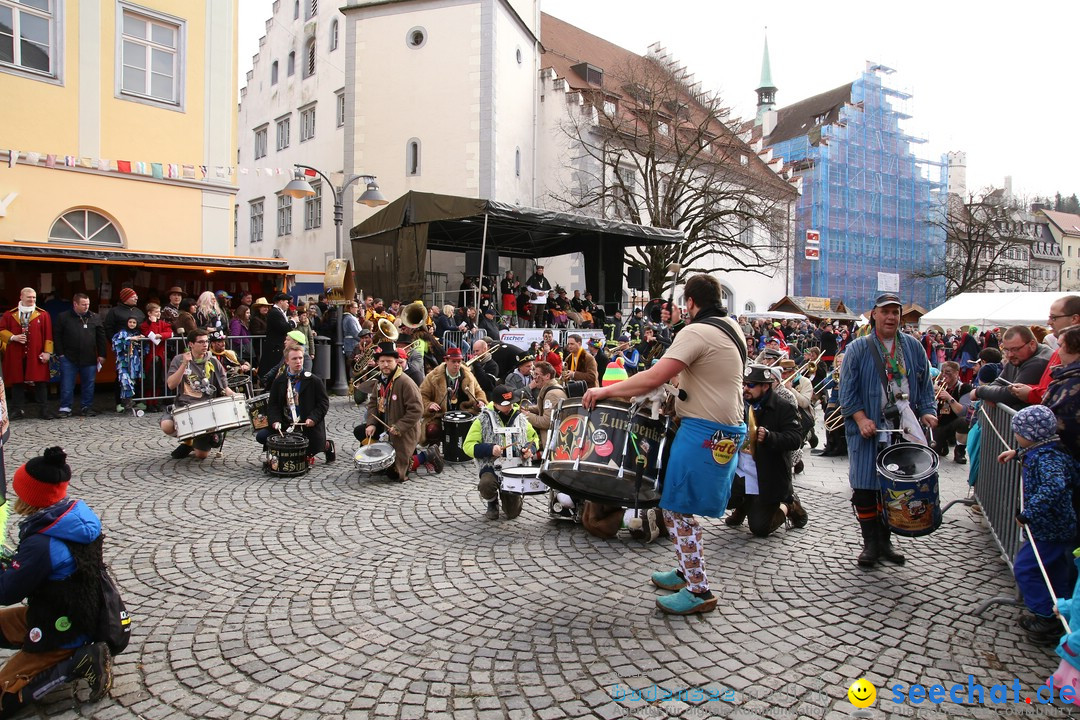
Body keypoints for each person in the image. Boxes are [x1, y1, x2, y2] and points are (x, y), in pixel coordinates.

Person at [582, 274, 747, 615]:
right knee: (676, 503)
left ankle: (699, 590)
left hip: (704, 430)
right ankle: (685, 570)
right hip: (723, 429)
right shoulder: (731, 328)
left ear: (690, 303)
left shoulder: (697, 330)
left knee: (675, 506)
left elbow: (657, 374)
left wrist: (605, 390)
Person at [0, 447, 113, 717]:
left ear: (29, 496)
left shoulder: (42, 543)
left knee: (3, 700)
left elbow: (6, 591)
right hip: (75, 611)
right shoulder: (72, 516)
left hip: (61, 628)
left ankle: (77, 661)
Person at [839, 292, 937, 568]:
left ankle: (886, 542)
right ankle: (870, 544)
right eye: (886, 311)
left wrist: (928, 411)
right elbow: (846, 391)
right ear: (874, 314)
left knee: (894, 488)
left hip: (902, 429)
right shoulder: (858, 349)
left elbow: (925, 383)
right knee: (865, 487)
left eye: (896, 312)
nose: (891, 317)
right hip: (869, 428)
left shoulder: (913, 348)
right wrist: (860, 419)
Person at [996, 405, 1080, 646]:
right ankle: (1063, 613)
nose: (1015, 436)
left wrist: (1027, 514)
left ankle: (1046, 616)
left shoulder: (1048, 457)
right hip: (1057, 526)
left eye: (1018, 433)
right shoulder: (1048, 450)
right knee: (1055, 572)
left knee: (1026, 568)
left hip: (1049, 527)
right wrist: (1017, 453)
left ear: (1031, 435)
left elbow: (1054, 486)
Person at [726, 365, 807, 536]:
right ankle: (744, 506)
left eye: (751, 385)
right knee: (718, 497)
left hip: (767, 474)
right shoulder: (739, 402)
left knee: (760, 528)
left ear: (765, 386)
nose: (745, 389)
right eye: (744, 383)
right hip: (740, 469)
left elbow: (796, 438)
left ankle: (789, 505)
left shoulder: (783, 406)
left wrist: (771, 437)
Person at [463, 385, 541, 520]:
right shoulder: (482, 420)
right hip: (491, 465)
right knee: (486, 484)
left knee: (512, 513)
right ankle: (492, 501)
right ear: (496, 404)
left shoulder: (520, 418)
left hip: (514, 468)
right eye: (506, 404)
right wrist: (490, 449)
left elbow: (534, 438)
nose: (510, 407)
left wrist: (530, 450)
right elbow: (468, 446)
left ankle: (510, 496)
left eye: (511, 403)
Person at [160, 329, 236, 460]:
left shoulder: (213, 361)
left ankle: (194, 441)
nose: (205, 345)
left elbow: (225, 388)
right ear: (191, 344)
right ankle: (189, 438)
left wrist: (236, 397)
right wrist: (184, 364)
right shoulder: (179, 360)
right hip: (184, 406)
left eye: (206, 341)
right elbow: (171, 384)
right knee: (167, 426)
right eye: (200, 342)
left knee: (201, 455)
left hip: (206, 410)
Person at [359, 342, 424, 482]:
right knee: (360, 432)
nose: (385, 365)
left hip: (403, 431)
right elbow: (372, 405)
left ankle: (427, 456)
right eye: (382, 361)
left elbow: (417, 409)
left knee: (395, 475)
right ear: (377, 363)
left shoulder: (405, 382)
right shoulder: (379, 381)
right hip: (384, 426)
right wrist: (371, 424)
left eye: (389, 361)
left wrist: (399, 427)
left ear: (396, 361)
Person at [261, 346, 335, 466]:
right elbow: (273, 405)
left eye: (300, 358)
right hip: (286, 424)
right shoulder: (279, 381)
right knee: (262, 436)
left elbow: (323, 403)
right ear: (287, 361)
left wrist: (313, 419)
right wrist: (275, 421)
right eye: (294, 358)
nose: (298, 361)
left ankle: (326, 445)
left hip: (306, 425)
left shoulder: (314, 380)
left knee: (311, 448)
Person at [1008, 295, 1080, 406]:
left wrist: (1031, 393)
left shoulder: (1068, 354)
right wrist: (1029, 389)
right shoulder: (1060, 351)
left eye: (1054, 318)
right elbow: (1050, 387)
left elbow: (1064, 392)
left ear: (1074, 319)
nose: (1049, 322)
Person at [0, 287, 56, 420]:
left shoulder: (43, 315)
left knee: (40, 382)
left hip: (36, 354)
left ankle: (44, 410)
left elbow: (48, 334)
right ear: (21, 297)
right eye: (29, 297)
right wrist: (13, 337)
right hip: (16, 354)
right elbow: (1, 330)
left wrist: (47, 352)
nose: (32, 300)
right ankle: (17, 410)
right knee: (17, 382)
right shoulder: (9, 314)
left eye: (34, 298)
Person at [973, 325, 1052, 411]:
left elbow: (1012, 395)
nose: (1010, 355)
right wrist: (990, 395)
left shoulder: (1039, 361)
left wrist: (979, 391)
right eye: (1006, 350)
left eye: (1015, 349)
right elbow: (999, 381)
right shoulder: (1018, 357)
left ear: (1032, 344)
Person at [419, 346, 484, 447]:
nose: (457, 364)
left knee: (480, 428)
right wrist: (429, 405)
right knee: (432, 430)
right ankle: (434, 452)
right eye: (453, 361)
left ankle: (469, 450)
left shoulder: (468, 375)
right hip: (440, 415)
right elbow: (422, 395)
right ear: (446, 360)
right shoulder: (432, 376)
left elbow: (479, 392)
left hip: (466, 414)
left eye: (459, 361)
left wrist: (480, 401)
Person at [54, 293, 106, 419]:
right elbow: (57, 336)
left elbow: (101, 337)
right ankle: (65, 407)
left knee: (89, 384)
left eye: (87, 304)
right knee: (67, 384)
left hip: (89, 357)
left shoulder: (94, 317)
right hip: (68, 357)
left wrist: (102, 354)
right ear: (75, 304)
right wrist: (60, 354)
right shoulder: (63, 317)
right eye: (83, 304)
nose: (86, 307)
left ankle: (86, 407)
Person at [1044, 325, 1080, 460]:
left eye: (1061, 346)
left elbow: (1060, 426)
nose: (1058, 352)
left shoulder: (1072, 383)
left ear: (1075, 350)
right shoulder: (1067, 377)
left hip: (1066, 463)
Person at [931, 361, 972, 464]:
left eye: (948, 372)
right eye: (942, 372)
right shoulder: (937, 385)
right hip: (939, 423)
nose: (944, 375)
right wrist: (931, 393)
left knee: (964, 422)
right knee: (933, 451)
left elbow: (963, 412)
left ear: (956, 373)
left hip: (955, 423)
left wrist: (949, 398)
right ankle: (943, 445)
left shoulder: (964, 388)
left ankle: (960, 451)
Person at [520, 361, 565, 447]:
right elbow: (543, 408)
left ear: (547, 376)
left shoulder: (552, 394)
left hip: (553, 444)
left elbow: (546, 422)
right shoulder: (550, 389)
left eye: (537, 374)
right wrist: (528, 408)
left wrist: (526, 415)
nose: (535, 378)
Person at [140, 303, 173, 411]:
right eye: (156, 312)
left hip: (160, 356)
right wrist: (153, 323)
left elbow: (170, 333)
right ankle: (150, 403)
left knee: (159, 380)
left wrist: (162, 335)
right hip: (150, 357)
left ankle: (155, 402)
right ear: (149, 313)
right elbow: (153, 338)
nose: (159, 314)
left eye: (159, 312)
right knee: (150, 380)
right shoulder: (144, 325)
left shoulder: (163, 323)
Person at [111, 316, 145, 413]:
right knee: (122, 381)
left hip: (134, 363)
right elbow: (117, 345)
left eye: (134, 322)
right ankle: (119, 403)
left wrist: (142, 340)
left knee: (135, 381)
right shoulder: (121, 333)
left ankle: (132, 402)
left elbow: (143, 348)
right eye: (130, 322)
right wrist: (129, 339)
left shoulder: (137, 333)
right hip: (123, 362)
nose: (132, 324)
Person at [257, 293, 294, 380]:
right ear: (281, 302)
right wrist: (293, 322)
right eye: (287, 302)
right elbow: (283, 328)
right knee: (272, 370)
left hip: (278, 347)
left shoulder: (278, 312)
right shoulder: (274, 313)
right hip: (275, 347)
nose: (288, 304)